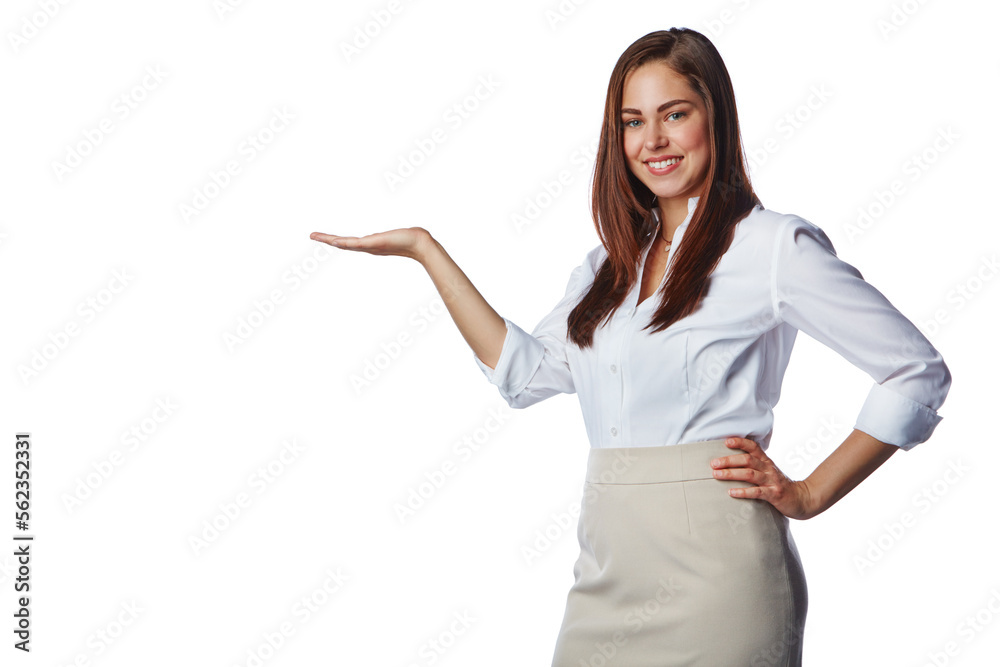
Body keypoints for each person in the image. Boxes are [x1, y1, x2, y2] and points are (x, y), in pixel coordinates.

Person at [309, 27, 951, 667]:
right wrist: (426, 251)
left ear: (715, 119)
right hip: (605, 572)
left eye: (675, 114)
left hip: (720, 579)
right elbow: (523, 377)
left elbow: (915, 372)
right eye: (633, 121)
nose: (654, 141)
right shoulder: (605, 268)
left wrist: (809, 494)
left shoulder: (773, 248)